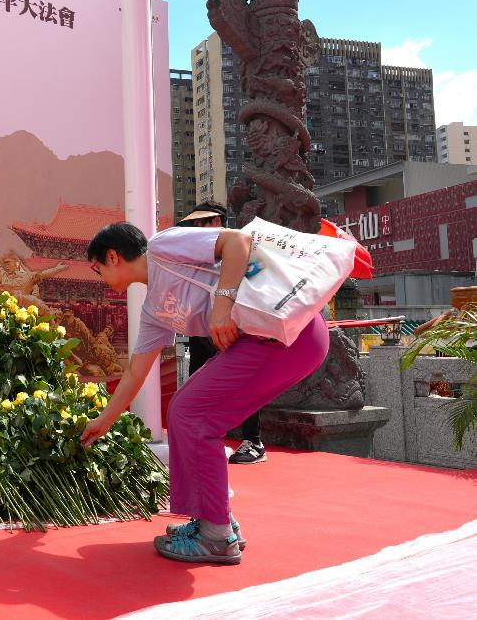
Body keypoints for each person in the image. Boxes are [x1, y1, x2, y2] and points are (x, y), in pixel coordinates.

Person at [81, 221, 329, 564]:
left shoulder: (163, 247)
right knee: (191, 414)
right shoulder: (154, 309)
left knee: (189, 413)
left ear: (112, 257)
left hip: (287, 332)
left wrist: (221, 307)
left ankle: (215, 535)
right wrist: (104, 420)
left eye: (97, 270)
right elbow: (137, 371)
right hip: (270, 344)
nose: (100, 279)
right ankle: (215, 522)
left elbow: (237, 242)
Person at [177, 202, 266, 465]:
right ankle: (199, 437)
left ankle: (255, 441)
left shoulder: (239, 249)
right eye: (193, 224)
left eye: (200, 223)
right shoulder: (198, 254)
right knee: (197, 384)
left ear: (217, 223)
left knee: (242, 386)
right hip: (200, 331)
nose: (195, 229)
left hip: (229, 329)